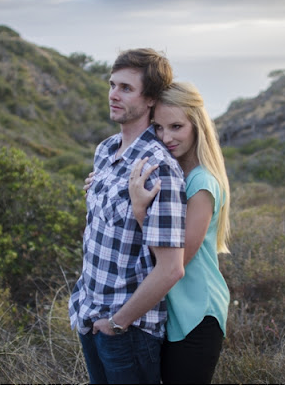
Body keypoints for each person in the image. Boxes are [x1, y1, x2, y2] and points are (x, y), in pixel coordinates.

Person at [69, 48, 187, 385]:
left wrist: (117, 323)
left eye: (126, 88)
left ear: (150, 99)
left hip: (128, 330)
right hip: (90, 314)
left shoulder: (158, 167)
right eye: (112, 85)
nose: (113, 95)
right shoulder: (105, 151)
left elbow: (171, 268)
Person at [127, 82, 231, 384]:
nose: (166, 137)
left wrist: (140, 211)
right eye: (158, 128)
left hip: (198, 312)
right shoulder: (173, 172)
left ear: (197, 126)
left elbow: (177, 258)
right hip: (172, 311)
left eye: (176, 127)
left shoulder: (201, 182)